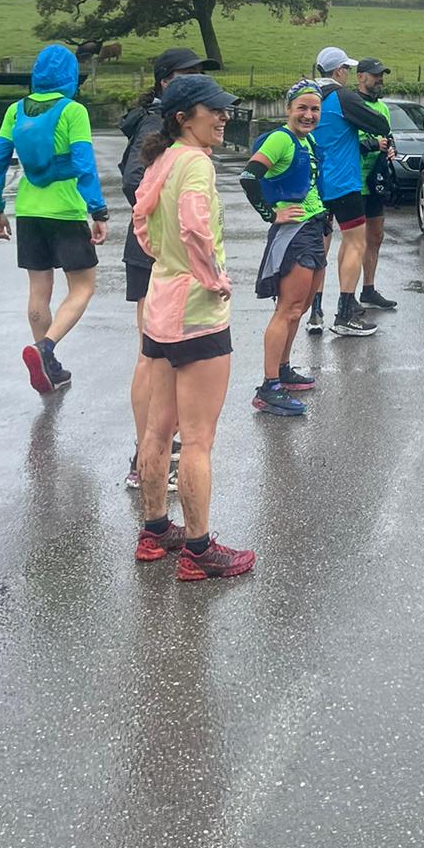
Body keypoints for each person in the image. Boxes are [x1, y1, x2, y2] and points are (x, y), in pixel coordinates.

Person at [131, 73, 254, 581]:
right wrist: (214, 278)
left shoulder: (160, 160)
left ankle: (155, 531)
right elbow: (195, 227)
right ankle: (200, 551)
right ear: (185, 118)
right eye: (215, 110)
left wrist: (167, 262)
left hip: (161, 304)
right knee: (199, 438)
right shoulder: (197, 164)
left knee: (158, 428)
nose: (224, 116)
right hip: (198, 310)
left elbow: (141, 221)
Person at [0, 44, 108, 393]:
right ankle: (45, 348)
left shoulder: (15, 111)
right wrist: (98, 211)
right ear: (70, 76)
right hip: (66, 210)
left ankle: (48, 368)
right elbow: (84, 164)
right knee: (83, 287)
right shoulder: (73, 111)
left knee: (39, 290)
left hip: (28, 210)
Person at [120, 47, 215, 491]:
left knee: (164, 357)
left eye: (198, 73)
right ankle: (148, 454)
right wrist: (163, 231)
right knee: (150, 355)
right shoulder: (157, 124)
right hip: (159, 256)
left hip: (166, 254)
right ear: (163, 81)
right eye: (184, 74)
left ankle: (155, 449)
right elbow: (133, 182)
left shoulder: (173, 126)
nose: (193, 79)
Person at [241, 80, 327, 417]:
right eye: (302, 108)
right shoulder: (281, 139)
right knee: (288, 308)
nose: (308, 115)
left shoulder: (308, 139)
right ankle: (268, 386)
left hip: (313, 226)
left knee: (302, 306)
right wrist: (270, 212)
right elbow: (250, 177)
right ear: (288, 108)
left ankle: (284, 368)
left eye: (314, 109)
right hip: (293, 233)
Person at [309, 45, 392, 337]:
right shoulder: (343, 96)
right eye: (346, 69)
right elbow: (378, 123)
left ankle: (314, 310)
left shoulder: (308, 95)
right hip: (343, 181)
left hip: (314, 182)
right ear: (339, 71)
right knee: (355, 243)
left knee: (320, 248)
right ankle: (346, 312)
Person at [356, 57, 398, 313]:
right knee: (355, 241)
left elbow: (388, 136)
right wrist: (372, 145)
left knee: (376, 236)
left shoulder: (383, 108)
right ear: (360, 77)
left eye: (381, 75)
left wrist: (390, 149)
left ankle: (368, 289)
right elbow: (346, 142)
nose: (379, 79)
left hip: (376, 181)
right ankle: (345, 295)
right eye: (374, 75)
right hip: (355, 182)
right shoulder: (351, 105)